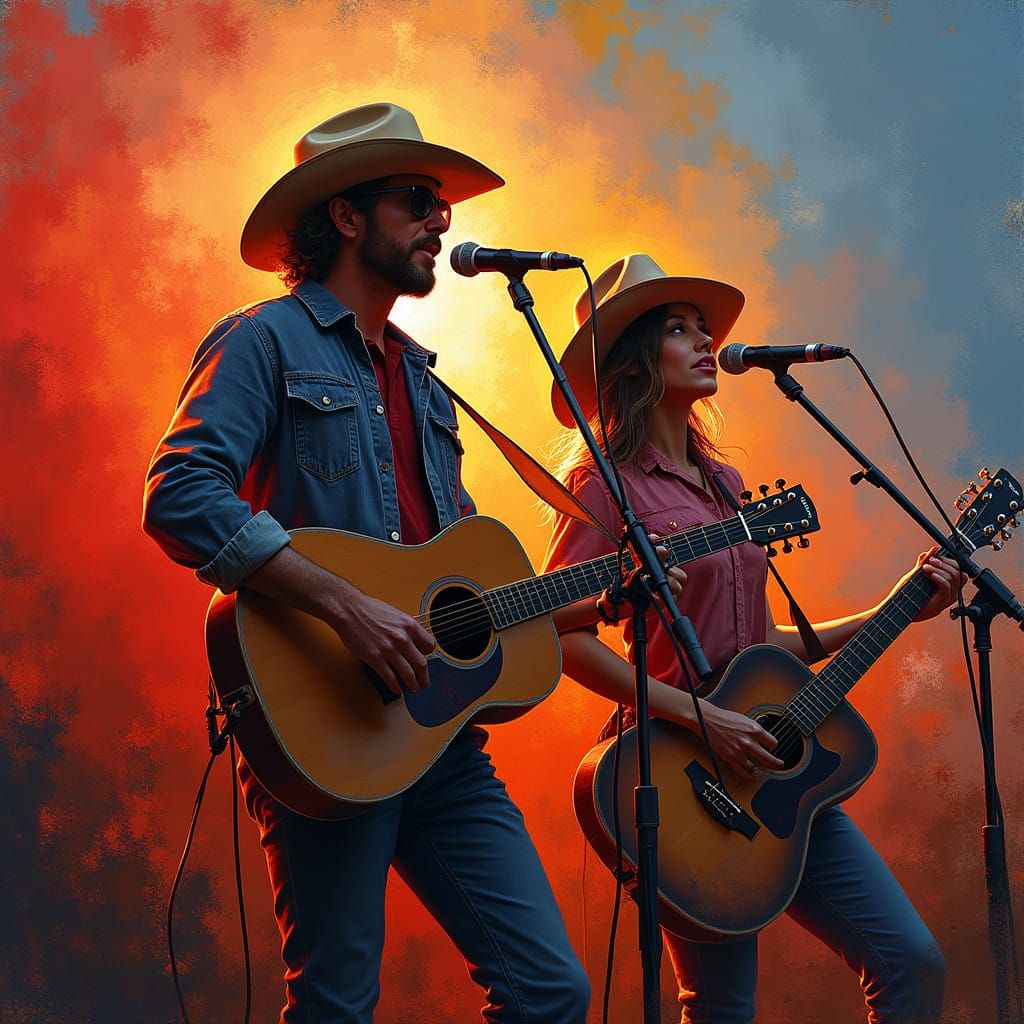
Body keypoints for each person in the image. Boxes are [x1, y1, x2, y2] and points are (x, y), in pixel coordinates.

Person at [143, 102, 590, 1024]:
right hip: (325, 725)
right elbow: (179, 493)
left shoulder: (427, 380)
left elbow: (448, 567)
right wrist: (345, 608)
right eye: (417, 201)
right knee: (338, 1007)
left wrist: (566, 602)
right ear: (346, 218)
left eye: (442, 205)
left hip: (440, 737)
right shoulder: (262, 341)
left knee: (552, 993)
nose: (443, 220)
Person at [542, 253, 963, 1023]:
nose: (706, 342)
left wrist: (897, 609)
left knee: (912, 962)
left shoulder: (727, 486)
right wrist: (698, 718)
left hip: (774, 769)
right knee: (723, 1009)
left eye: (706, 329)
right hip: (680, 777)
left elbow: (765, 645)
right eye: (679, 329)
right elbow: (561, 638)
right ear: (635, 363)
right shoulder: (607, 484)